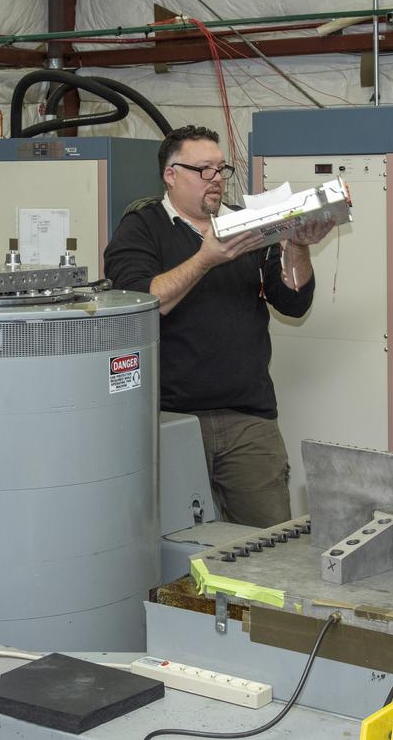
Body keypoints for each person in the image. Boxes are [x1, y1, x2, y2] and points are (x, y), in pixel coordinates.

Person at [104, 125, 336, 528]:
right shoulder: (141, 228)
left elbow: (294, 301)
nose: (216, 179)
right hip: (169, 420)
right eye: (203, 170)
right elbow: (141, 304)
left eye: (221, 169)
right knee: (176, 543)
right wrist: (205, 258)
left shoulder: (249, 224)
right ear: (170, 174)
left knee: (268, 542)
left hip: (249, 420)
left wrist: (298, 245)